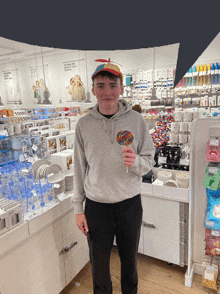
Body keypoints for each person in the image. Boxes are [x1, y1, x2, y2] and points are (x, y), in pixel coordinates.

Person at [73, 60, 155, 294]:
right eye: (100, 86)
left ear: (121, 88)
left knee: (129, 262)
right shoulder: (83, 125)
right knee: (99, 266)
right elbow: (80, 168)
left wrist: (136, 162)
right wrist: (78, 208)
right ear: (93, 90)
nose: (106, 92)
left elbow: (149, 161)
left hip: (129, 203)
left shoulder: (137, 121)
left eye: (112, 85)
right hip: (96, 207)